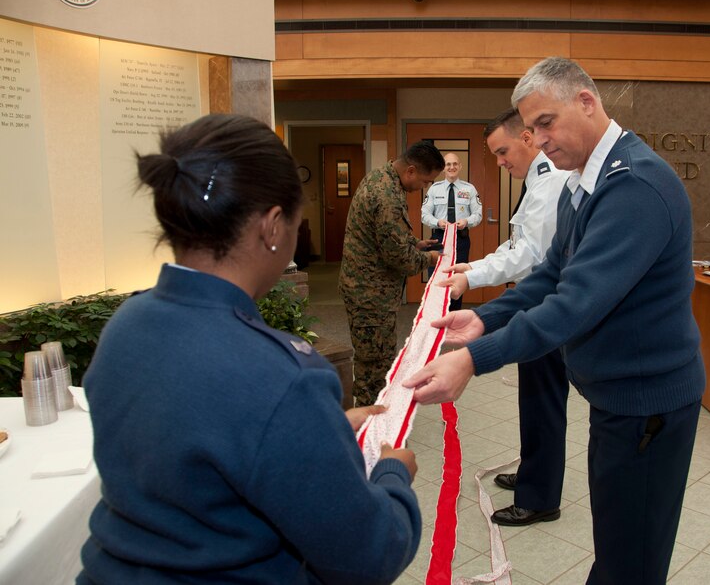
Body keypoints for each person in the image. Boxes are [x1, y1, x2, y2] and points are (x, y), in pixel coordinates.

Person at [78, 114, 421, 585]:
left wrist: (319, 431)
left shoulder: (126, 326)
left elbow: (198, 444)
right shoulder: (284, 376)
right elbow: (369, 554)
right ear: (273, 226)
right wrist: (392, 476)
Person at [404, 57, 706, 585]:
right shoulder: (581, 181)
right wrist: (485, 318)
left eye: (546, 122)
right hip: (616, 395)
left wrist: (474, 359)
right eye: (531, 128)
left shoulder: (634, 185)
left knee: (630, 557)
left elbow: (576, 302)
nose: (538, 139)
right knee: (618, 541)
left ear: (586, 102)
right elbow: (553, 271)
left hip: (647, 401)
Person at [437, 108, 571, 527]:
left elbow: (529, 256)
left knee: (543, 402)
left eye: (502, 151)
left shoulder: (550, 184)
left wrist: (472, 276)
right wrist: (472, 268)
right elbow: (518, 244)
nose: (499, 162)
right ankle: (534, 474)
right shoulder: (536, 180)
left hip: (546, 307)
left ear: (528, 139)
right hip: (534, 301)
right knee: (533, 399)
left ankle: (541, 497)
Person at [339, 140, 444, 407]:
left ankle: (370, 416)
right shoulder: (387, 196)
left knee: (372, 358)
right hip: (371, 294)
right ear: (410, 170)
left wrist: (413, 244)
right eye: (425, 181)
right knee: (374, 363)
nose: (425, 187)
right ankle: (369, 427)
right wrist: (430, 258)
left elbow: (385, 238)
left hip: (368, 288)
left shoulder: (381, 178)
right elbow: (400, 258)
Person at [420, 152, 482, 310]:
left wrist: (467, 221)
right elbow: (424, 214)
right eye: (448, 164)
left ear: (460, 166)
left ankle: (453, 316)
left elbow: (478, 214)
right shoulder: (434, 189)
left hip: (460, 241)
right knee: (436, 280)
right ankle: (435, 318)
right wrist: (437, 222)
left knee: (456, 280)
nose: (452, 167)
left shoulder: (469, 189)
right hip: (438, 240)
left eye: (455, 164)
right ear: (443, 168)